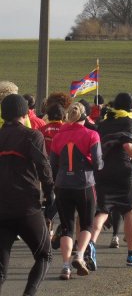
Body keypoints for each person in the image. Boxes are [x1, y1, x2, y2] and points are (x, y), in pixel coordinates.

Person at [0, 94, 54, 295]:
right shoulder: (32, 135)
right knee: (44, 255)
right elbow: (44, 167)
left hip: (1, 209)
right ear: (25, 113)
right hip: (26, 207)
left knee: (0, 269)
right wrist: (50, 194)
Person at [90, 92, 132, 267]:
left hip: (102, 170)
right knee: (129, 211)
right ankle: (131, 253)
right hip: (121, 171)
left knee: (102, 211)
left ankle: (89, 246)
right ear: (131, 108)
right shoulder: (129, 122)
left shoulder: (104, 123)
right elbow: (127, 144)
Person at [49, 102, 103, 279]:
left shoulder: (58, 137)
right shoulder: (92, 134)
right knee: (86, 224)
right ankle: (79, 255)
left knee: (66, 227)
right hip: (84, 184)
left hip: (62, 185)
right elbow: (97, 163)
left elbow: (53, 165)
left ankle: (65, 266)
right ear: (85, 116)